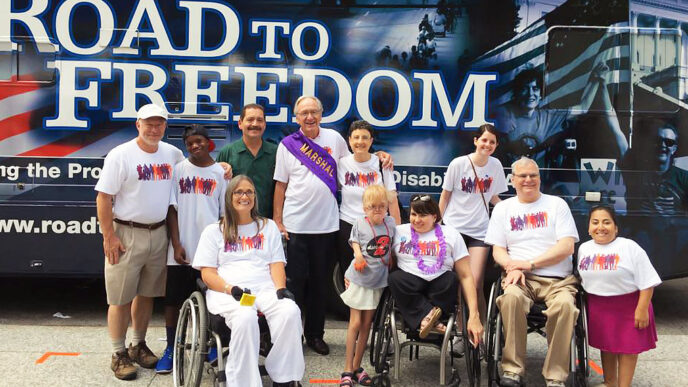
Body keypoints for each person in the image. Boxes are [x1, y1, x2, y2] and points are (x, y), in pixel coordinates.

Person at [273, 96, 392, 356]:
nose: (309, 117)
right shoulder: (287, 145)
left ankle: (315, 335)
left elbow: (357, 161)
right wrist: (278, 220)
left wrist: (380, 156)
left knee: (319, 284)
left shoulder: (335, 139)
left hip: (327, 226)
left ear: (321, 114)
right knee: (294, 284)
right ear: (296, 117)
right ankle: (291, 336)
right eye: (304, 113)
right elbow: (280, 185)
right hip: (295, 225)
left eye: (314, 112)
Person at [95, 103, 184, 380]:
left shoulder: (172, 153)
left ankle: (138, 344)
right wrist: (109, 236)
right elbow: (103, 197)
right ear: (138, 124)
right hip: (126, 233)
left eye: (159, 124)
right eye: (149, 124)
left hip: (158, 232)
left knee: (146, 294)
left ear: (165, 127)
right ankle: (118, 352)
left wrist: (223, 168)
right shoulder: (121, 155)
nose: (154, 129)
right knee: (120, 298)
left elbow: (194, 172)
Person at [193, 175, 304, 387]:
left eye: (249, 192)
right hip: (231, 292)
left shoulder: (268, 227)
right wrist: (229, 288)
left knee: (290, 311)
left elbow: (276, 263)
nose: (245, 196)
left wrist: (281, 289)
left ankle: (283, 376)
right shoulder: (214, 231)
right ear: (229, 197)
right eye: (239, 192)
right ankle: (243, 381)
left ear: (255, 197)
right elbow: (207, 273)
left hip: (263, 288)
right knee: (245, 317)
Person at [484, 157, 580, 387]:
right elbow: (498, 250)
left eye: (533, 175)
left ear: (539, 178)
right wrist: (510, 267)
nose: (528, 180)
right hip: (520, 278)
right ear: (513, 180)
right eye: (523, 176)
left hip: (559, 280)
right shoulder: (504, 209)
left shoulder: (557, 205)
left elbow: (567, 246)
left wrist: (528, 264)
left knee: (565, 307)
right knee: (510, 298)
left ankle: (556, 376)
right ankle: (512, 370)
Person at [155, 124, 227, 374]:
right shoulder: (178, 171)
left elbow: (222, 216)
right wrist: (176, 244)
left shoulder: (219, 173)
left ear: (209, 143)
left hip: (208, 253)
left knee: (213, 300)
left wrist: (219, 250)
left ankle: (212, 345)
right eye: (189, 143)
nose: (195, 146)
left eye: (199, 141)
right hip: (182, 250)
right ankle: (171, 349)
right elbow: (171, 210)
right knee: (173, 301)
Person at [439, 123, 508, 349]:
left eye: (492, 142)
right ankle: (460, 332)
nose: (487, 145)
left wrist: (511, 209)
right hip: (454, 229)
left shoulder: (496, 165)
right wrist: (438, 224)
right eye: (484, 140)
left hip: (480, 230)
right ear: (476, 141)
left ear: (496, 146)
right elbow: (445, 196)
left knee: (476, 281)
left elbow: (492, 196)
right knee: (460, 282)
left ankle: (480, 329)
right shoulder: (459, 164)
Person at [577, 206, 661, 387]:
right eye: (595, 222)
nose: (601, 227)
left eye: (607, 222)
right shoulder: (584, 248)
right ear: (588, 227)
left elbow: (648, 281)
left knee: (628, 350)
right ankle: (610, 383)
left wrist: (642, 309)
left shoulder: (629, 247)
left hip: (629, 305)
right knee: (606, 347)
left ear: (616, 227)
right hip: (598, 306)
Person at [388, 195, 483, 344]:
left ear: (434, 217)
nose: (417, 219)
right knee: (395, 278)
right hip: (409, 281)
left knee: (452, 279)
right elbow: (378, 256)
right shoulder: (398, 232)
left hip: (439, 285)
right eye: (414, 214)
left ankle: (427, 318)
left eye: (423, 215)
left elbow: (466, 275)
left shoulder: (451, 234)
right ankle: (431, 317)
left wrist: (474, 315)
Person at [496, 63, 614, 167]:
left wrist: (596, 79)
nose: (530, 94)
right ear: (517, 92)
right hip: (508, 179)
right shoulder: (505, 114)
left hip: (538, 180)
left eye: (535, 88)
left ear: (541, 94)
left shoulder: (548, 117)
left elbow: (583, 108)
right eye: (525, 89)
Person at [339, 185, 396, 387]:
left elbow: (393, 246)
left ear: (387, 207)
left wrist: (392, 260)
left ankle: (356, 366)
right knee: (355, 323)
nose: (377, 210)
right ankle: (347, 368)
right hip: (359, 280)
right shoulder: (359, 223)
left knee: (366, 326)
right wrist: (358, 254)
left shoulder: (391, 223)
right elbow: (354, 241)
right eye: (372, 207)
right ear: (364, 208)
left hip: (377, 282)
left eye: (382, 206)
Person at [338, 120, 400, 285]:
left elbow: (392, 200)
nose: (360, 142)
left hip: (378, 226)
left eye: (365, 137)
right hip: (348, 224)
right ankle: (350, 311)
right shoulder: (341, 163)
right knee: (349, 275)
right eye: (356, 137)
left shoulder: (381, 164)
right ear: (349, 140)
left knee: (377, 274)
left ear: (371, 141)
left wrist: (398, 233)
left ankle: (374, 310)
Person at [216, 104, 277, 218]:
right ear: (240, 123)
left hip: (267, 222)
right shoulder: (227, 152)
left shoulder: (277, 153)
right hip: (235, 222)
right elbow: (217, 190)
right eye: (250, 119)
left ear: (264, 124)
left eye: (259, 120)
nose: (255, 124)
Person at [620, 120, 688, 214]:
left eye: (669, 142)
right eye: (658, 140)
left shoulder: (684, 178)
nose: (663, 145)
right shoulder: (637, 174)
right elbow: (616, 134)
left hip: (673, 228)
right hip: (642, 228)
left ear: (674, 149)